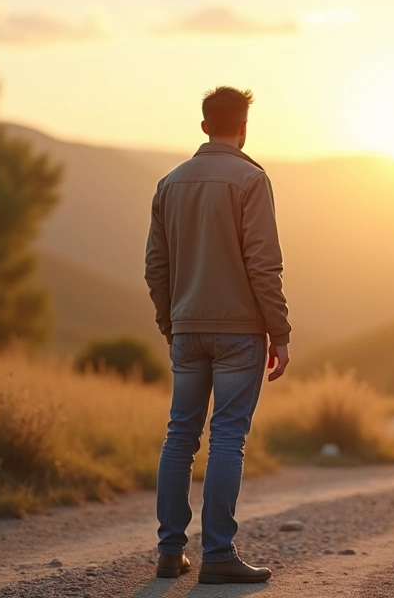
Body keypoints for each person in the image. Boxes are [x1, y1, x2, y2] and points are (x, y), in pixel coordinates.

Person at [144, 86, 291, 584]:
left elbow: (155, 266)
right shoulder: (252, 180)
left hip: (186, 328)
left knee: (180, 435)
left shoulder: (169, 183)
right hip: (240, 333)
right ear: (244, 128)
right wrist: (280, 332)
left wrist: (170, 324)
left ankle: (170, 553)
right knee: (227, 436)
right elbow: (263, 265)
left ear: (205, 126)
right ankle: (219, 555)